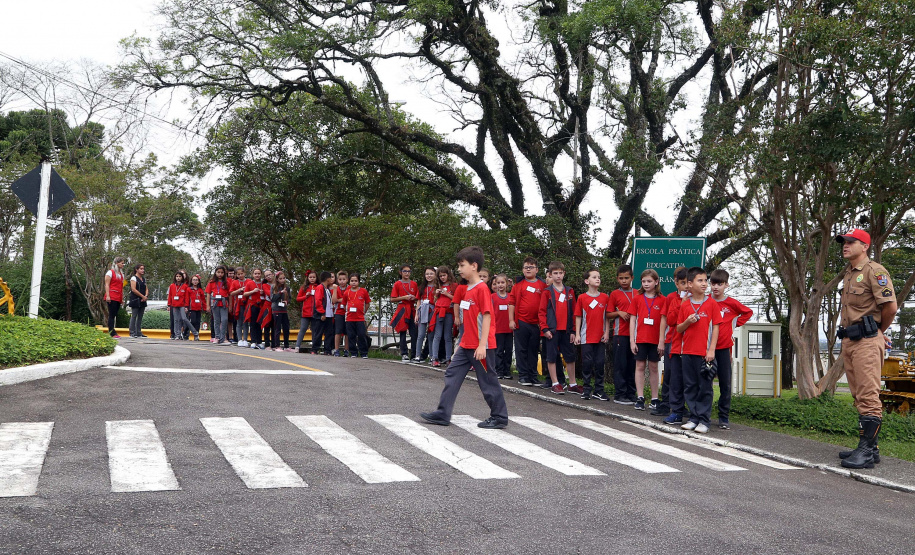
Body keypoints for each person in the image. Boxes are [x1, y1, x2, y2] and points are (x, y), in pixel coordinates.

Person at [420, 246, 509, 429]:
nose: (459, 269)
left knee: (487, 381)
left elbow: (487, 316)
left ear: (474, 266)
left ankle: (499, 417)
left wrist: (482, 345)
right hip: (466, 345)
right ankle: (443, 413)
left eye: (462, 265)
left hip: (480, 347)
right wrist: (461, 344)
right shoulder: (468, 288)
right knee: (452, 373)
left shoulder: (481, 289)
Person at [835, 229, 897, 469]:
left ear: (865, 246)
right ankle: (872, 447)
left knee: (869, 396)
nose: (846, 245)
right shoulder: (849, 273)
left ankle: (866, 452)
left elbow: (890, 307)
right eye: (844, 242)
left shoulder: (875, 271)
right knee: (859, 395)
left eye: (851, 242)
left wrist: (880, 330)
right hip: (851, 341)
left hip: (868, 341)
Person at [675, 267, 721, 434]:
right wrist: (688, 321)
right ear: (689, 283)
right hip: (687, 351)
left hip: (704, 353)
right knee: (690, 386)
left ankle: (704, 420)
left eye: (705, 281)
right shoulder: (685, 305)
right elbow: (679, 329)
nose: (704, 284)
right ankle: (693, 417)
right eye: (700, 280)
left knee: (705, 387)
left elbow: (716, 328)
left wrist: (711, 350)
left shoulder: (711, 304)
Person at [709, 269, 754, 429]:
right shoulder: (706, 300)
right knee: (705, 383)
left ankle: (723, 417)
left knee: (725, 384)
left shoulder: (732, 303)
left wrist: (733, 324)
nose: (716, 287)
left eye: (719, 284)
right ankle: (704, 415)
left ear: (726, 285)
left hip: (724, 349)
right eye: (713, 283)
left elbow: (748, 312)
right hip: (707, 350)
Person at [627, 269, 668, 411]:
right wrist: (632, 340)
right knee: (639, 366)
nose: (646, 284)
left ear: (656, 282)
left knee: (653, 368)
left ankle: (655, 398)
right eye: (643, 281)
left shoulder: (663, 299)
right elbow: (632, 319)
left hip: (655, 340)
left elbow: (664, 320)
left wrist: (661, 341)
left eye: (649, 281)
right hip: (641, 338)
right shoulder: (637, 298)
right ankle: (640, 397)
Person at [538, 261, 580, 394]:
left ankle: (572, 383)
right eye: (555, 273)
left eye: (560, 273)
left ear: (564, 274)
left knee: (570, 357)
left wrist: (573, 330)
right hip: (552, 330)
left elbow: (575, 312)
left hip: (567, 330)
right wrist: (544, 329)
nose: (557, 276)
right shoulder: (547, 292)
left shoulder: (570, 291)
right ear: (550, 274)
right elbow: (542, 311)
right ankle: (555, 383)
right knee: (551, 356)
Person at [652, 267, 688, 416]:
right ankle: (665, 403)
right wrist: (661, 341)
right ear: (677, 283)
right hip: (671, 340)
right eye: (683, 282)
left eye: (688, 282)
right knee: (669, 373)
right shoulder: (671, 298)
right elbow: (665, 319)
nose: (686, 286)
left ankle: (681, 405)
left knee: (684, 375)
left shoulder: (696, 298)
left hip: (687, 343)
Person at [509, 257, 546, 386]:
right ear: (522, 270)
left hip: (536, 323)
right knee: (521, 350)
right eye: (526, 267)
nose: (528, 269)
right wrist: (511, 320)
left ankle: (533, 376)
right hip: (521, 321)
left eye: (531, 267)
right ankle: (523, 376)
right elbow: (512, 303)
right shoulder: (518, 285)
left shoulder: (542, 285)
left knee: (534, 350)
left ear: (537, 269)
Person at [574, 268, 610, 400]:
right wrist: (577, 334)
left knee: (600, 363)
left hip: (600, 336)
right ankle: (586, 389)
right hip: (586, 336)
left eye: (599, 277)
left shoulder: (605, 297)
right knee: (587, 363)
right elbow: (578, 316)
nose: (597, 279)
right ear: (586, 281)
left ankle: (599, 390)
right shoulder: (582, 297)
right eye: (594, 277)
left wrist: (606, 332)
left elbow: (607, 316)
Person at [608, 264, 637, 404]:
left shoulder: (638, 293)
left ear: (632, 278)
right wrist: (619, 313)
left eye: (626, 278)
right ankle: (620, 394)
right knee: (621, 365)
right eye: (621, 278)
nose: (624, 281)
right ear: (617, 279)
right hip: (620, 334)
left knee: (633, 365)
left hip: (636, 335)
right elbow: (607, 314)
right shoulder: (614, 294)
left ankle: (632, 393)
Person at [390, 265, 419, 361]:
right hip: (402, 309)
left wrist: (412, 298)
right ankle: (404, 353)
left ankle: (414, 354)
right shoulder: (397, 284)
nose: (407, 273)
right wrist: (404, 297)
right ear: (400, 272)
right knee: (402, 331)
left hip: (411, 309)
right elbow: (392, 299)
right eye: (405, 271)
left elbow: (418, 298)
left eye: (409, 271)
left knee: (414, 333)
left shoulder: (414, 284)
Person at [430, 265, 456, 368]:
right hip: (439, 312)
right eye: (440, 276)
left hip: (449, 312)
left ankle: (448, 358)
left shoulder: (454, 286)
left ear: (448, 275)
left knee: (448, 336)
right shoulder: (437, 286)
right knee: (437, 335)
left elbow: (456, 299)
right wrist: (436, 294)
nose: (442, 278)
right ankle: (434, 358)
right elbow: (435, 301)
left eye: (444, 275)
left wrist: (446, 294)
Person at [343, 273, 371, 359]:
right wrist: (347, 311)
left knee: (361, 334)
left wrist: (364, 311)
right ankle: (353, 352)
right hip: (349, 318)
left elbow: (367, 303)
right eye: (352, 281)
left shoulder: (363, 291)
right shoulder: (346, 293)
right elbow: (344, 305)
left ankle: (364, 352)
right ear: (349, 282)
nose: (354, 283)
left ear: (358, 282)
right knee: (351, 335)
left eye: (355, 281)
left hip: (360, 318)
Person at [491, 273, 514, 379]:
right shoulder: (493, 297)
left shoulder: (510, 297)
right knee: (499, 350)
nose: (500, 285)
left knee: (508, 350)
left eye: (502, 282)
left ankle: (507, 370)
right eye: (498, 283)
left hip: (509, 329)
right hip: (498, 328)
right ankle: (498, 370)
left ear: (507, 283)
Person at [413, 267, 437, 362]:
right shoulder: (422, 287)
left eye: (431, 274)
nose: (429, 276)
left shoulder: (437, 287)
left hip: (433, 311)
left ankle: (431, 356)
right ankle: (417, 355)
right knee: (421, 334)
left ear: (435, 275)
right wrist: (416, 314)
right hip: (422, 311)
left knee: (431, 335)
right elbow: (419, 301)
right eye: (427, 274)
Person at [168, 270, 199, 341]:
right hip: (174, 305)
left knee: (184, 319)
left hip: (182, 305)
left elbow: (187, 298)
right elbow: (170, 296)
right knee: (176, 320)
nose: (178, 278)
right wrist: (169, 305)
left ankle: (195, 332)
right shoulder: (172, 286)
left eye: (179, 276)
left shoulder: (185, 286)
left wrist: (186, 306)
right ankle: (177, 335)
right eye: (177, 276)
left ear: (182, 278)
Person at [295, 270, 319, 352]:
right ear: (307, 278)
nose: (312, 279)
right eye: (310, 277)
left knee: (314, 330)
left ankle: (314, 348)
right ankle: (297, 346)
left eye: (314, 277)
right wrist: (305, 296)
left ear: (316, 278)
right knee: (303, 329)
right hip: (305, 312)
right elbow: (298, 298)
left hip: (315, 312)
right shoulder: (304, 287)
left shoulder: (319, 287)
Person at [311, 271, 335, 355]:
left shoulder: (327, 289)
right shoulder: (320, 287)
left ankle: (327, 350)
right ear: (327, 279)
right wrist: (322, 313)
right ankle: (314, 349)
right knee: (319, 332)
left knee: (329, 333)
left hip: (329, 314)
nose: (332, 279)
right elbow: (318, 301)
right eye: (331, 278)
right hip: (323, 314)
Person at [206, 265, 231, 344]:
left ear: (224, 273)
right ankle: (217, 337)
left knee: (224, 320)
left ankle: (223, 338)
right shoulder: (211, 282)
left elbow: (230, 294)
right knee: (216, 320)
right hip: (215, 303)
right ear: (215, 273)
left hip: (224, 303)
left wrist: (230, 305)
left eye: (222, 272)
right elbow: (208, 294)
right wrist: (208, 305)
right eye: (218, 272)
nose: (220, 274)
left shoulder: (227, 282)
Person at [271, 270, 294, 351]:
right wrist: (280, 292)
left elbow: (290, 298)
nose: (282, 280)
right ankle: (277, 345)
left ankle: (286, 345)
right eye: (280, 278)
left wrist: (287, 301)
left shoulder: (287, 288)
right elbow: (272, 298)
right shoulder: (274, 287)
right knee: (277, 328)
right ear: (277, 279)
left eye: (284, 278)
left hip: (284, 309)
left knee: (286, 328)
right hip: (276, 310)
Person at [104, 256, 126, 338]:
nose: (123, 265)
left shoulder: (121, 274)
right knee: (112, 314)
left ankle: (112, 331)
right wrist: (108, 295)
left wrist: (122, 298)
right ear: (117, 263)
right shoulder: (110, 272)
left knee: (115, 314)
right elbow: (107, 284)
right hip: (112, 295)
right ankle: (111, 332)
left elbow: (121, 287)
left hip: (118, 296)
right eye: (122, 263)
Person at [243, 268, 265, 349]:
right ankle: (253, 341)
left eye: (259, 273)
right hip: (253, 305)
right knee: (253, 324)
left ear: (261, 274)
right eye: (255, 273)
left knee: (260, 324)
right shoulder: (250, 283)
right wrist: (253, 291)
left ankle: (259, 341)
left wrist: (263, 292)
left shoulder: (263, 283)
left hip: (262, 305)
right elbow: (245, 294)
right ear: (253, 275)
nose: (257, 275)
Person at [332, 270, 350, 357]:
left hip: (348, 312)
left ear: (347, 280)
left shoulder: (350, 288)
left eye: (343, 279)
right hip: (338, 312)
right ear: (337, 280)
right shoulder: (336, 288)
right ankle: (336, 350)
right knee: (338, 331)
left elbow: (349, 299)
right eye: (340, 279)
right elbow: (334, 300)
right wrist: (342, 300)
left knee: (347, 332)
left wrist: (341, 300)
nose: (342, 281)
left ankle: (346, 350)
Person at [127, 263, 148, 339]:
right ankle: (132, 332)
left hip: (143, 300)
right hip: (135, 300)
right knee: (134, 315)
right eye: (141, 269)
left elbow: (146, 288)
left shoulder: (144, 279)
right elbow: (133, 289)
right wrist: (141, 296)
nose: (143, 270)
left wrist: (145, 296)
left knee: (140, 316)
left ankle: (138, 332)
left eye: (143, 269)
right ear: (137, 269)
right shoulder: (133, 278)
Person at [231, 267, 251, 347]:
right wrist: (240, 290)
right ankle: (239, 339)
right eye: (238, 274)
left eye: (241, 274)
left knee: (246, 322)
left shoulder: (249, 281)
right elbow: (231, 293)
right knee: (239, 322)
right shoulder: (234, 282)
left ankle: (245, 339)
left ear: (244, 273)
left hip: (247, 303)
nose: (240, 275)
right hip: (238, 304)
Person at [226, 267, 238, 343]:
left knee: (236, 322)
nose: (231, 275)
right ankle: (230, 336)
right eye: (230, 273)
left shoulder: (236, 281)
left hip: (236, 302)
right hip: (228, 302)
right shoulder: (226, 281)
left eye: (232, 273)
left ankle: (236, 337)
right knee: (229, 321)